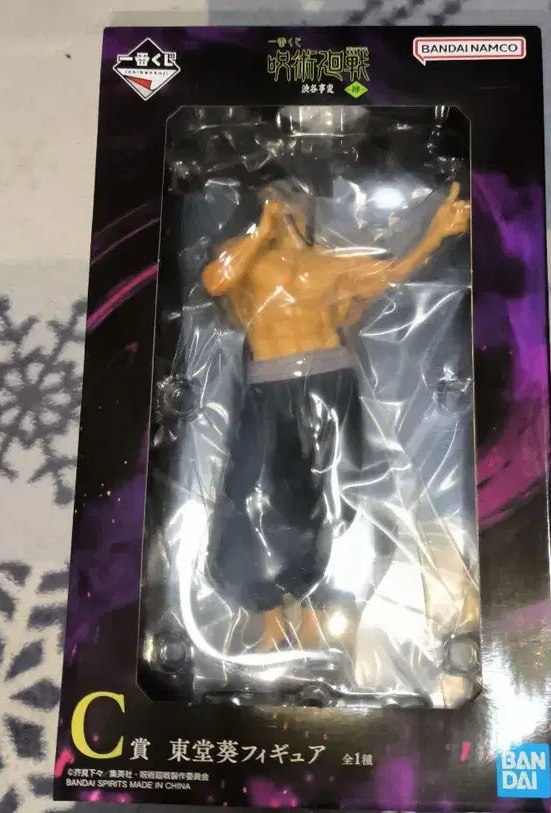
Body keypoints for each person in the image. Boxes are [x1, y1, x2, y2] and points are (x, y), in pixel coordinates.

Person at [201, 182, 470, 652]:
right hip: (268, 384)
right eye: (276, 200)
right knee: (252, 493)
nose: (287, 209)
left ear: (310, 211)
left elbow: (391, 272)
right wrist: (261, 230)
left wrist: (436, 233)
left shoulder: (327, 262)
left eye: (294, 202)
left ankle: (319, 609)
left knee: (333, 495)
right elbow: (215, 282)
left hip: (331, 382)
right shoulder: (247, 256)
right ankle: (267, 611)